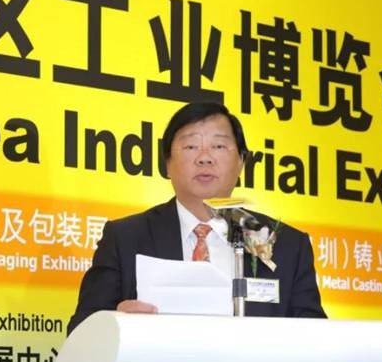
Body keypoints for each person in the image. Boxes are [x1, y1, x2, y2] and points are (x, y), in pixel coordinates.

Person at [68, 101, 326, 335]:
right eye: (191, 146)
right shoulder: (125, 238)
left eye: (218, 146)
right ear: (167, 163)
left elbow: (316, 339)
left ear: (241, 162)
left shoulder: (286, 245)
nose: (204, 158)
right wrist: (115, 322)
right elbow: (79, 332)